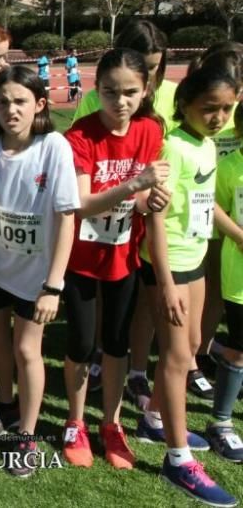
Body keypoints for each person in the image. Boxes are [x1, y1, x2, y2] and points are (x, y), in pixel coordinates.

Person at [0, 66, 79, 477]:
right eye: (3, 101)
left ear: (40, 105)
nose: (11, 109)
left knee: (27, 349)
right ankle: (6, 404)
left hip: (36, 278)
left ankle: (27, 434)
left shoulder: (54, 148)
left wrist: (54, 285)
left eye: (21, 101)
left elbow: (67, 218)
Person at [60, 49, 167, 470]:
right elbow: (83, 205)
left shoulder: (150, 131)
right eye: (109, 92)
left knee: (117, 343)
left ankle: (111, 423)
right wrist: (134, 185)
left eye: (129, 93)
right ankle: (74, 422)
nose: (119, 102)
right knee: (82, 343)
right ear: (96, 89)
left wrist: (149, 198)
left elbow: (142, 200)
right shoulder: (81, 136)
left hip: (123, 256)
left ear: (145, 91)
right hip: (81, 258)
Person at [140, 63, 237, 507]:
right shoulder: (172, 147)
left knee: (196, 343)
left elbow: (205, 200)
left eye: (226, 108)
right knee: (178, 358)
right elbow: (154, 217)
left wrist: (236, 233)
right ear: (185, 105)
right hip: (171, 264)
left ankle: (153, 417)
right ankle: (177, 460)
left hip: (195, 259)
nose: (218, 116)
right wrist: (164, 281)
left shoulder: (207, 144)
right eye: (209, 108)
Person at [209, 102, 243, 463]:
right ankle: (221, 422)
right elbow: (215, 208)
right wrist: (238, 234)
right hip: (240, 276)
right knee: (239, 347)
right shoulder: (231, 167)